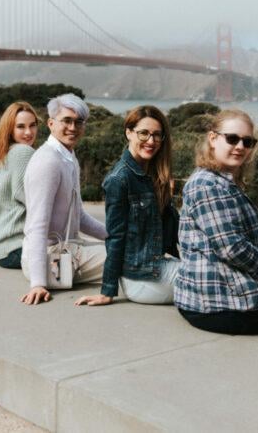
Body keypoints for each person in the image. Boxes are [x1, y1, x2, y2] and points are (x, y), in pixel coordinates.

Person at [174, 110, 258, 333]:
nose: (240, 146)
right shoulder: (207, 185)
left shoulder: (219, 179)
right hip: (214, 306)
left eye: (247, 141)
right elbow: (232, 248)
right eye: (232, 138)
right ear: (213, 139)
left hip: (209, 292)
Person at [76, 105, 180, 306]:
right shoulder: (120, 179)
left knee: (215, 274)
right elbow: (115, 237)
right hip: (140, 279)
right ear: (129, 133)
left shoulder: (154, 174)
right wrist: (107, 291)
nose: (151, 141)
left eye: (157, 135)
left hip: (158, 266)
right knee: (213, 281)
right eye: (143, 133)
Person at [20, 93, 107, 305]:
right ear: (51, 123)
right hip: (51, 258)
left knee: (125, 247)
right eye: (66, 121)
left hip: (67, 248)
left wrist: (115, 235)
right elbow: (37, 225)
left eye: (79, 122)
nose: (73, 127)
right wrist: (38, 283)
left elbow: (80, 217)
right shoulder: (48, 162)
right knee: (129, 257)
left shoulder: (67, 156)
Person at [0, 102, 39, 268]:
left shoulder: (7, 152)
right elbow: (34, 202)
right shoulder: (23, 152)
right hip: (17, 247)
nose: (28, 132)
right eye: (20, 127)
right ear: (10, 129)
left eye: (32, 125)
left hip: (2, 248)